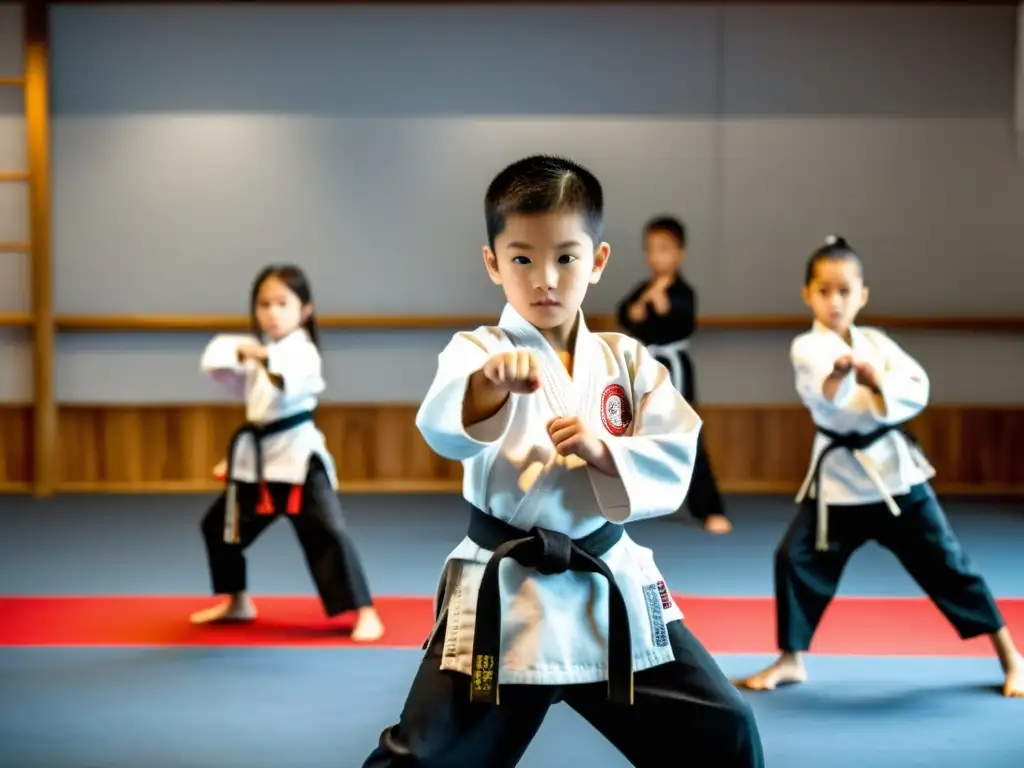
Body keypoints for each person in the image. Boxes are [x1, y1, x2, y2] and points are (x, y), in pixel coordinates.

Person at [362, 156, 763, 766]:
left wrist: (608, 451)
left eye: (566, 257)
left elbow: (676, 450)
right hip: (507, 592)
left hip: (610, 593)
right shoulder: (478, 351)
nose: (545, 278)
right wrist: (488, 388)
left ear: (597, 262)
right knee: (423, 759)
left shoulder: (626, 360)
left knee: (723, 732)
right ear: (493, 262)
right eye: (522, 258)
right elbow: (443, 426)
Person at [737, 235, 1023, 698]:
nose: (834, 301)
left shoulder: (877, 342)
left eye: (845, 290)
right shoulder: (806, 348)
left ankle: (1012, 656)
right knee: (794, 558)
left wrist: (876, 382)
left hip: (893, 478)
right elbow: (826, 398)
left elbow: (917, 388)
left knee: (950, 564)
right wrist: (847, 378)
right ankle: (791, 660)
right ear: (806, 294)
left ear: (862, 295)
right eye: (824, 290)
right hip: (838, 487)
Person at [190, 265, 384, 643]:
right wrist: (248, 354)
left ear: (305, 310)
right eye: (264, 304)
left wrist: (260, 356)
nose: (272, 312)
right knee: (220, 528)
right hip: (258, 463)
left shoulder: (302, 353)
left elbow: (284, 381)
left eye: (282, 303)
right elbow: (216, 363)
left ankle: (365, 610)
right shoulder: (263, 352)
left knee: (328, 531)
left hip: (298, 461)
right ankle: (238, 601)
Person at [617, 216, 731, 534]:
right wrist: (637, 308)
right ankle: (630, 501)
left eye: (664, 249)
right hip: (647, 369)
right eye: (651, 250)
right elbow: (626, 314)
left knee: (687, 435)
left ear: (680, 253)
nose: (657, 256)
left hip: (675, 369)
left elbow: (684, 323)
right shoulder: (643, 289)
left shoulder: (683, 292)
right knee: (635, 432)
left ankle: (709, 509)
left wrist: (666, 307)